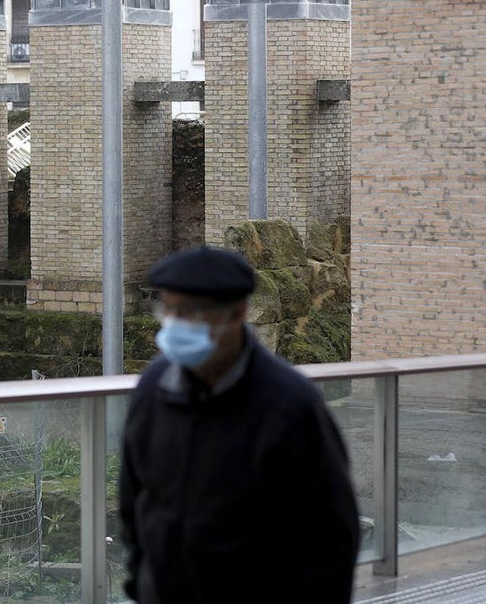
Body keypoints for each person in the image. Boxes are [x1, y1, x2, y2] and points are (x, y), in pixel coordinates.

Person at [119, 246, 359, 604]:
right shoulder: (155, 389)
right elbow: (134, 499)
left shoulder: (289, 404)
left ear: (237, 313)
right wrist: (143, 583)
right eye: (168, 309)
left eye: (190, 312)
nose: (175, 324)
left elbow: (330, 533)